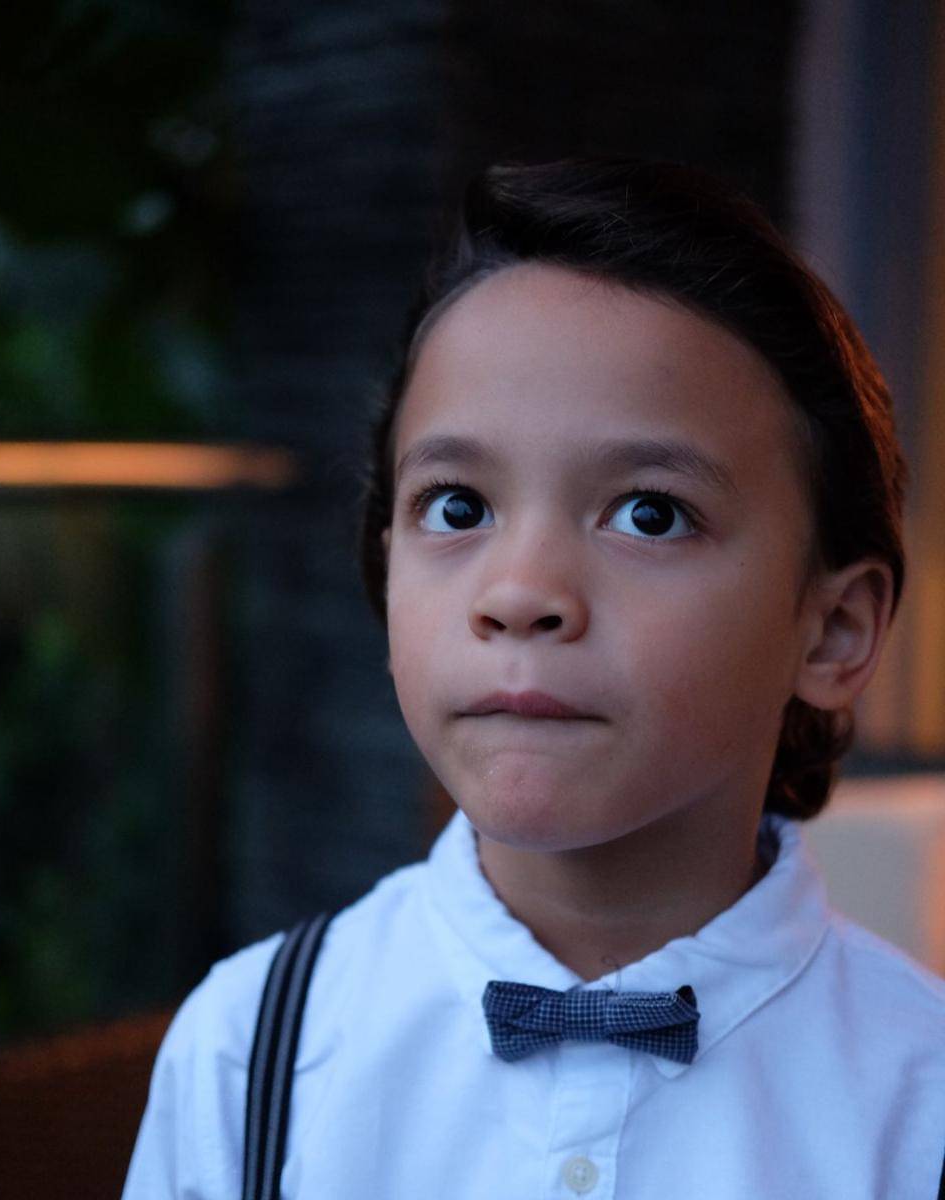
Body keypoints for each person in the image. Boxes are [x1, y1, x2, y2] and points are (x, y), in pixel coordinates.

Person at [122, 157, 945, 1199]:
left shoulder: (922, 1105)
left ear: (831, 631)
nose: (520, 593)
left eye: (650, 513)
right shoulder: (249, 1055)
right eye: (458, 507)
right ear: (387, 573)